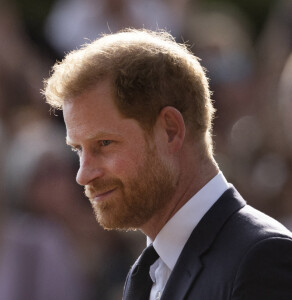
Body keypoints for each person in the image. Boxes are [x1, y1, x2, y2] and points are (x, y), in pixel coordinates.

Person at [42, 29, 292, 300]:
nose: (83, 174)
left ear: (170, 130)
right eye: (78, 149)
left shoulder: (261, 258)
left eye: (104, 143)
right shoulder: (147, 274)